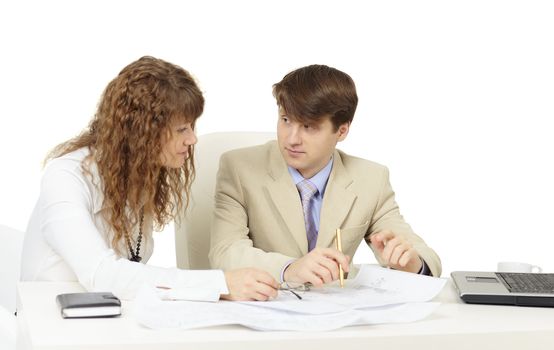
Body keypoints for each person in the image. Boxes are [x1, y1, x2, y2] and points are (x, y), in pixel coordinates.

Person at [20, 56, 279, 301]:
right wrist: (220, 284)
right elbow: (103, 275)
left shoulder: (138, 175)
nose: (192, 139)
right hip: (49, 326)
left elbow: (130, 275)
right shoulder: (66, 177)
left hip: (104, 318)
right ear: (141, 132)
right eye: (181, 129)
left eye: (191, 126)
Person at [209, 64, 441, 286]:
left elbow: (425, 258)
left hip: (336, 316)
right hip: (266, 307)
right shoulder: (239, 168)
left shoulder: (371, 179)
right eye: (286, 120)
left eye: (309, 127)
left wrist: (411, 264)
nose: (292, 139)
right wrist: (291, 269)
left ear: (342, 130)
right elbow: (225, 251)